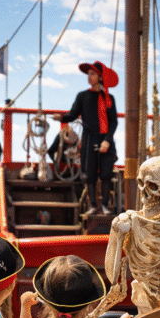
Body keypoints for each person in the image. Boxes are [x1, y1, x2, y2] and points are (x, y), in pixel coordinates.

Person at [52, 61, 119, 215]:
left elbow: (114, 121)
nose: (89, 77)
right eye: (88, 74)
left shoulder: (109, 99)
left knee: (106, 174)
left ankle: (105, 206)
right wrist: (60, 118)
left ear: (100, 77)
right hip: (89, 138)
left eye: (92, 74)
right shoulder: (83, 96)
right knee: (89, 174)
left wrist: (107, 141)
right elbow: (73, 114)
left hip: (105, 138)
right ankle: (93, 206)